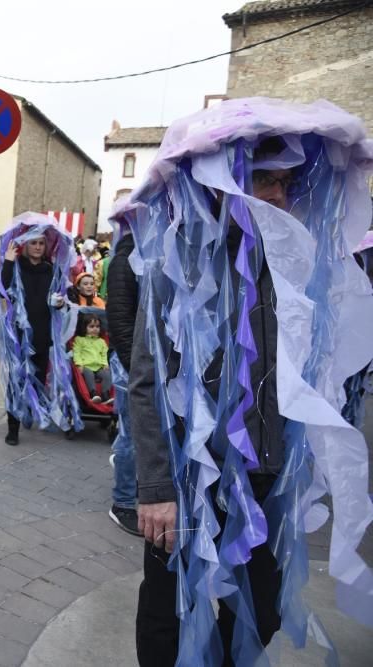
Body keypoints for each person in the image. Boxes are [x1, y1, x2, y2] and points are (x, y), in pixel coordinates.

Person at [129, 100, 373, 665]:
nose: (280, 198)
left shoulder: (300, 268)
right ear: (227, 184)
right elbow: (147, 382)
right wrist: (156, 491)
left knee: (258, 608)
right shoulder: (180, 263)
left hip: (266, 478)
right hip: (190, 479)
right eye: (265, 181)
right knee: (168, 607)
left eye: (287, 183)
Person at [0, 214, 79, 445]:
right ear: (26, 244)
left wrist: (61, 302)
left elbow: (64, 297)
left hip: (42, 333)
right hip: (20, 334)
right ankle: (13, 429)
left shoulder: (51, 270)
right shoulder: (17, 266)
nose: (38, 247)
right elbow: (3, 289)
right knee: (17, 380)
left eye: (41, 243)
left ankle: (29, 410)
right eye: (33, 242)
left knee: (38, 377)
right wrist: (9, 261)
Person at [105, 200, 140, 537]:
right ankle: (124, 502)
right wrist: (135, 368)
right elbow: (119, 318)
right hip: (132, 365)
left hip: (142, 365)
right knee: (134, 435)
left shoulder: (149, 255)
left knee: (137, 435)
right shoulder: (125, 259)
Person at [72, 313, 111, 403]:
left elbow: (104, 354)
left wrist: (105, 364)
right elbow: (77, 353)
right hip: (86, 366)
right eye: (91, 326)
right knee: (89, 374)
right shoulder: (79, 340)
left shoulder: (101, 341)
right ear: (85, 327)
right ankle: (93, 393)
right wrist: (79, 364)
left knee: (107, 375)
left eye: (97, 326)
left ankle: (105, 394)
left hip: (98, 367)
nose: (95, 329)